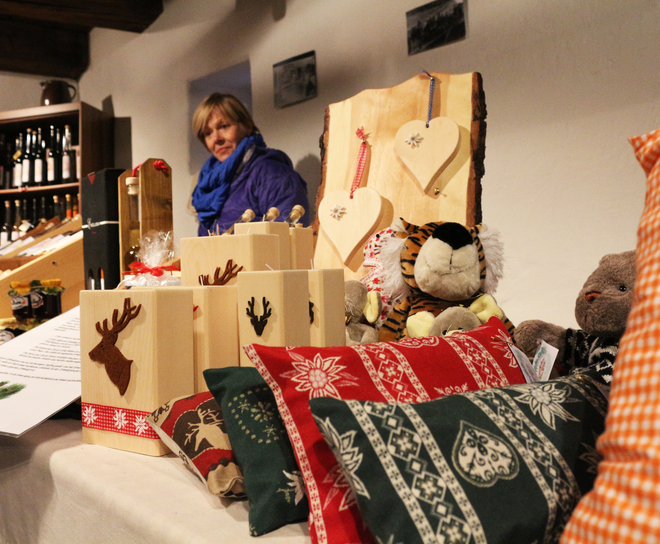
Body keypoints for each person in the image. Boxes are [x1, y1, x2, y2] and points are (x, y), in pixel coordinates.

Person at [191, 93, 310, 235]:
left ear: (246, 125)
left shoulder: (272, 173)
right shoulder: (207, 185)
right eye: (208, 133)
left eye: (224, 126)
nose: (216, 138)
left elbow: (288, 236)